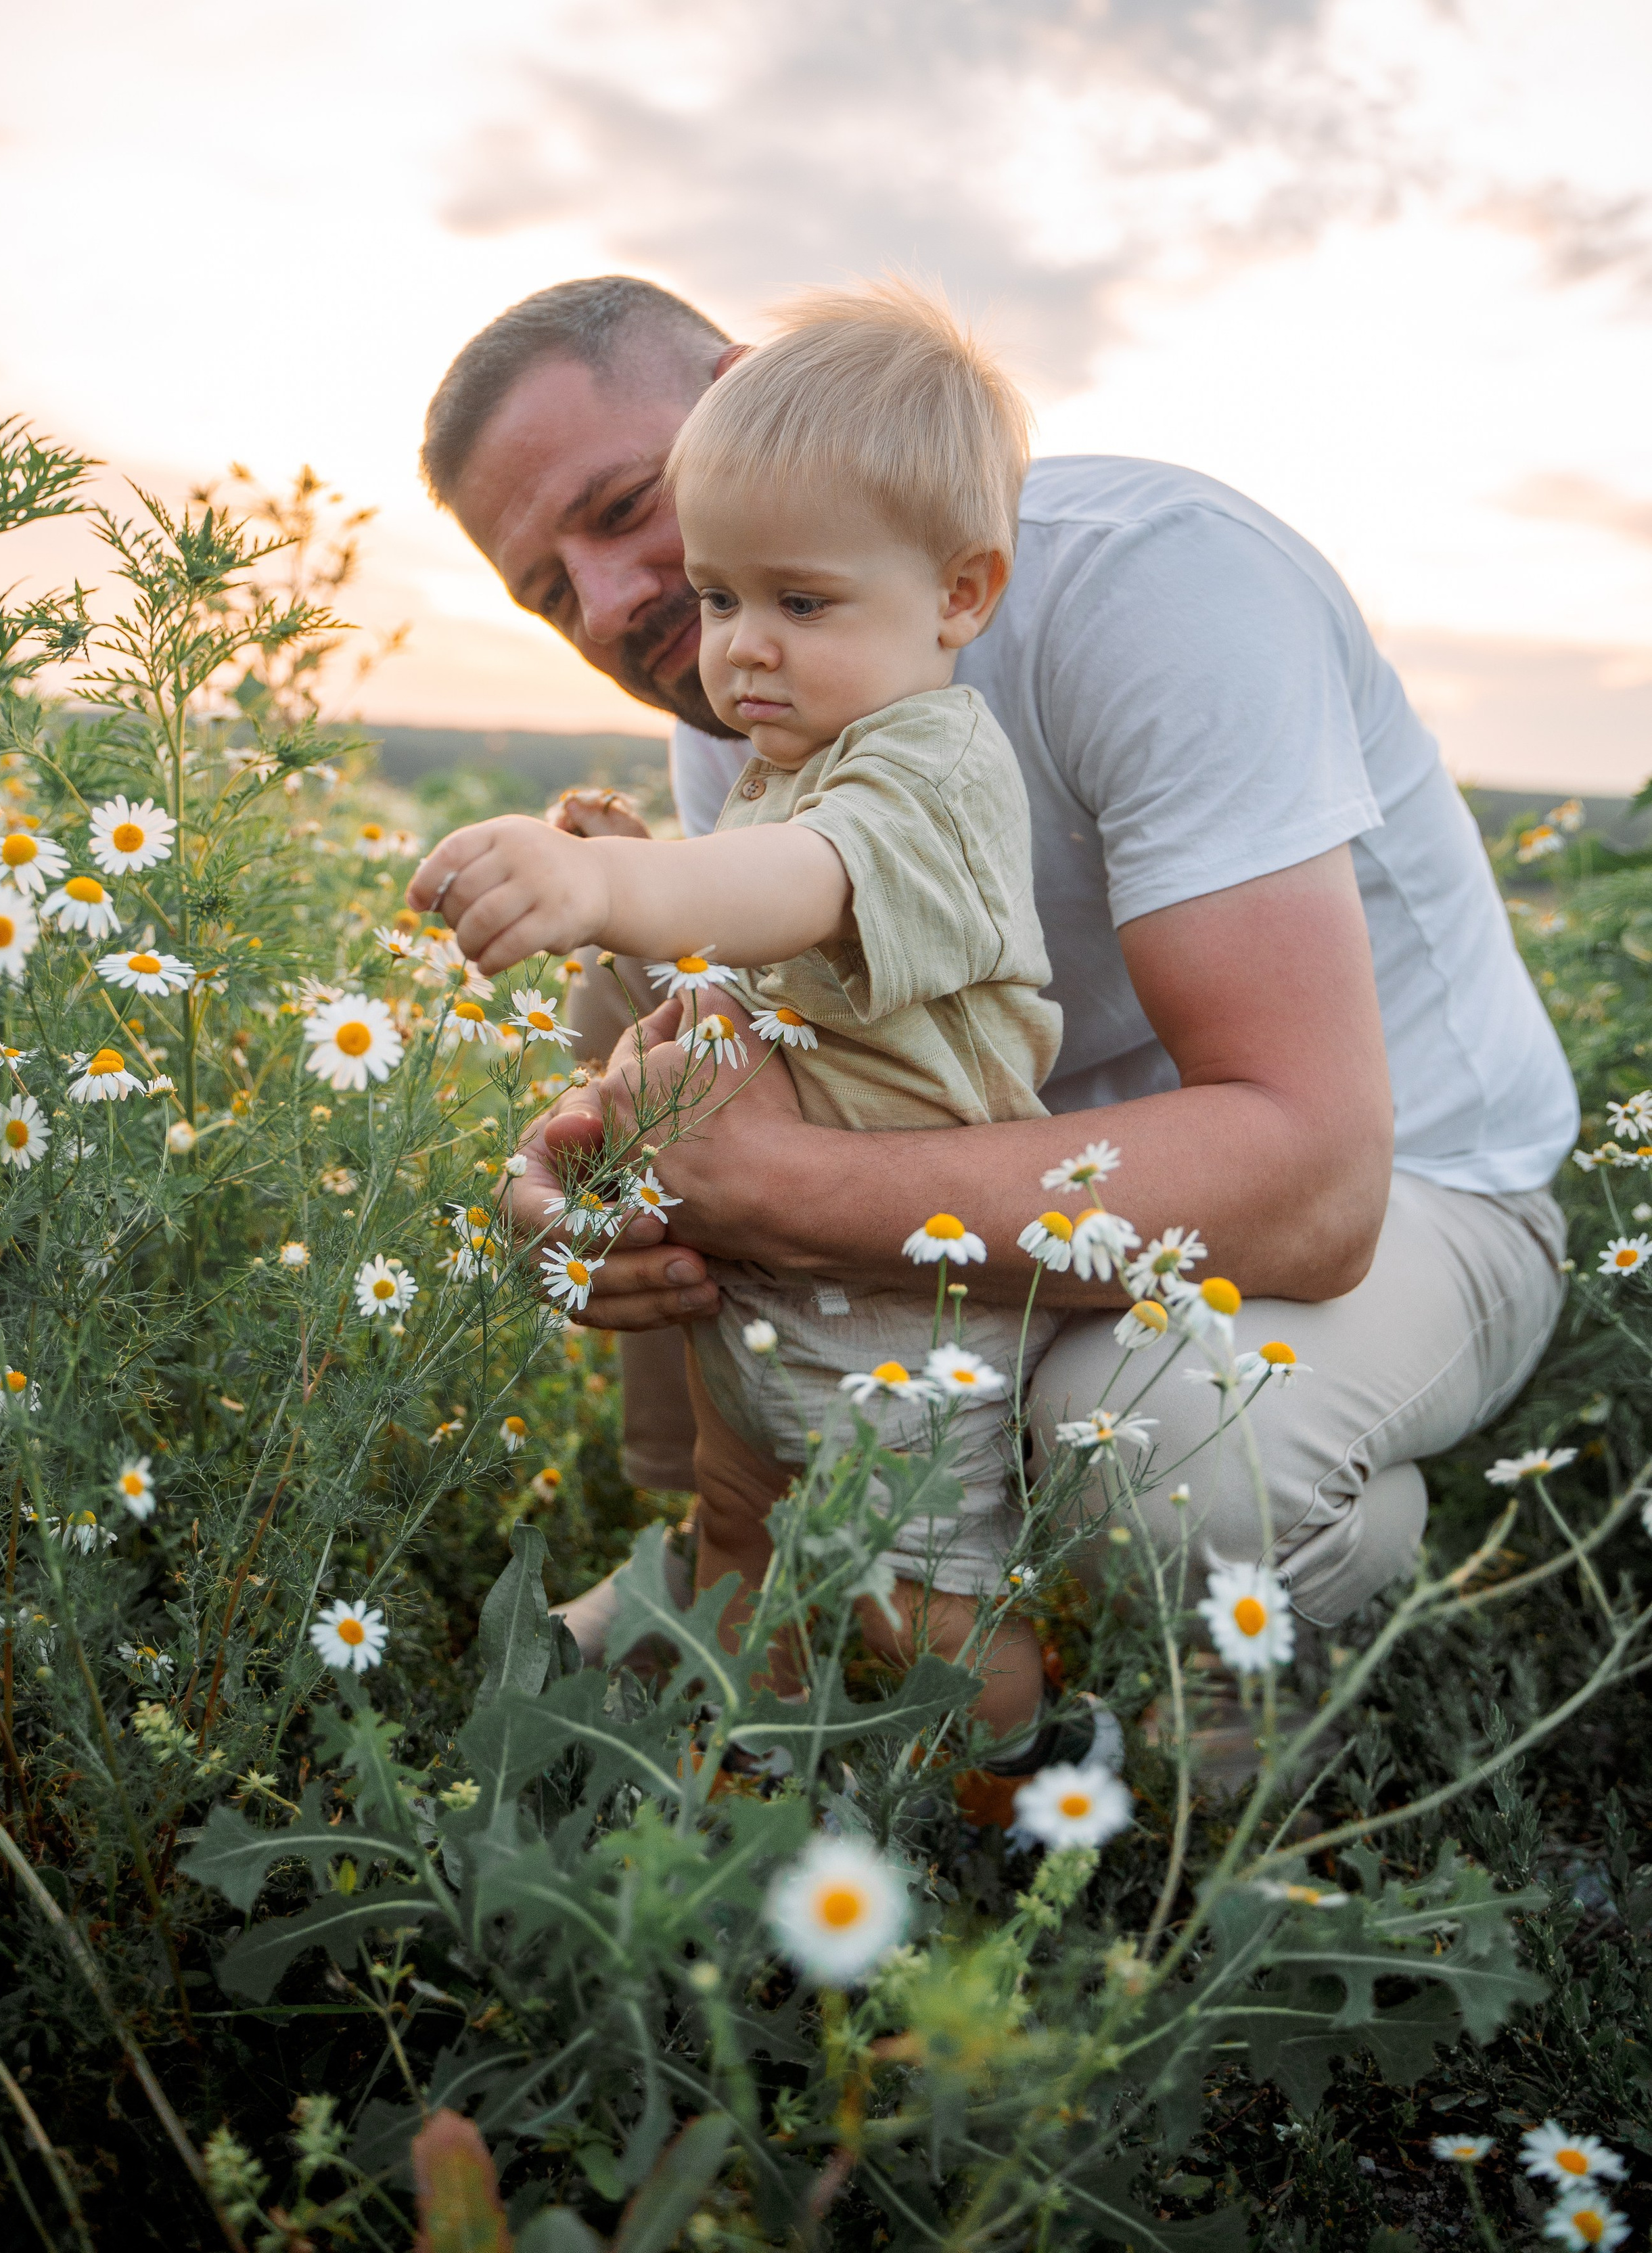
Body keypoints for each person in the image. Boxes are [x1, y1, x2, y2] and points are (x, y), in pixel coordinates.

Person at [414, 273, 1578, 1649]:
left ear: (743, 392)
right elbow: (797, 1021)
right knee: (648, 987)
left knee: (1154, 1441)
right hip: (1030, 1155)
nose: (612, 608)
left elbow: (1315, 1192)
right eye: (553, 594)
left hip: (1402, 1196)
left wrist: (783, 1189)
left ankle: (1249, 1669)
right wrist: (602, 1156)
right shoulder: (748, 672)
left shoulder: (1153, 586)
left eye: (621, 509)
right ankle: (739, 1534)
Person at [411, 281, 1080, 1735]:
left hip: (905, 1293)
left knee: (924, 1595)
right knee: (737, 1529)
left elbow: (798, 888)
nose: (739, 646)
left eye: (799, 601)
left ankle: (1005, 1807)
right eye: (720, 597)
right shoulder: (788, 752)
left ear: (959, 595)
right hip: (774, 1283)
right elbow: (744, 975)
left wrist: (605, 897)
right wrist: (632, 897)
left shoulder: (926, 769)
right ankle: (740, 1770)